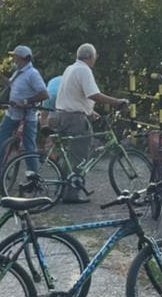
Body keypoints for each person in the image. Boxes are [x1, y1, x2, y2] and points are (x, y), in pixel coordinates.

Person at [51, 43, 129, 203]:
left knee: (68, 156)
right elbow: (94, 94)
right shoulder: (84, 70)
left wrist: (89, 111)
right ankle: (71, 194)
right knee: (79, 156)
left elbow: (71, 94)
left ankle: (62, 188)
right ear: (91, 57)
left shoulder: (70, 68)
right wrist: (117, 102)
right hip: (75, 119)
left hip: (62, 115)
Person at [0, 45, 48, 193]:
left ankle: (34, 180)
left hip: (28, 116)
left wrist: (26, 102)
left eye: (15, 56)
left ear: (22, 58)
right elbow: (9, 85)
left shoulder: (32, 74)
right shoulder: (18, 72)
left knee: (29, 148)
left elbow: (44, 94)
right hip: (12, 114)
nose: (13, 59)